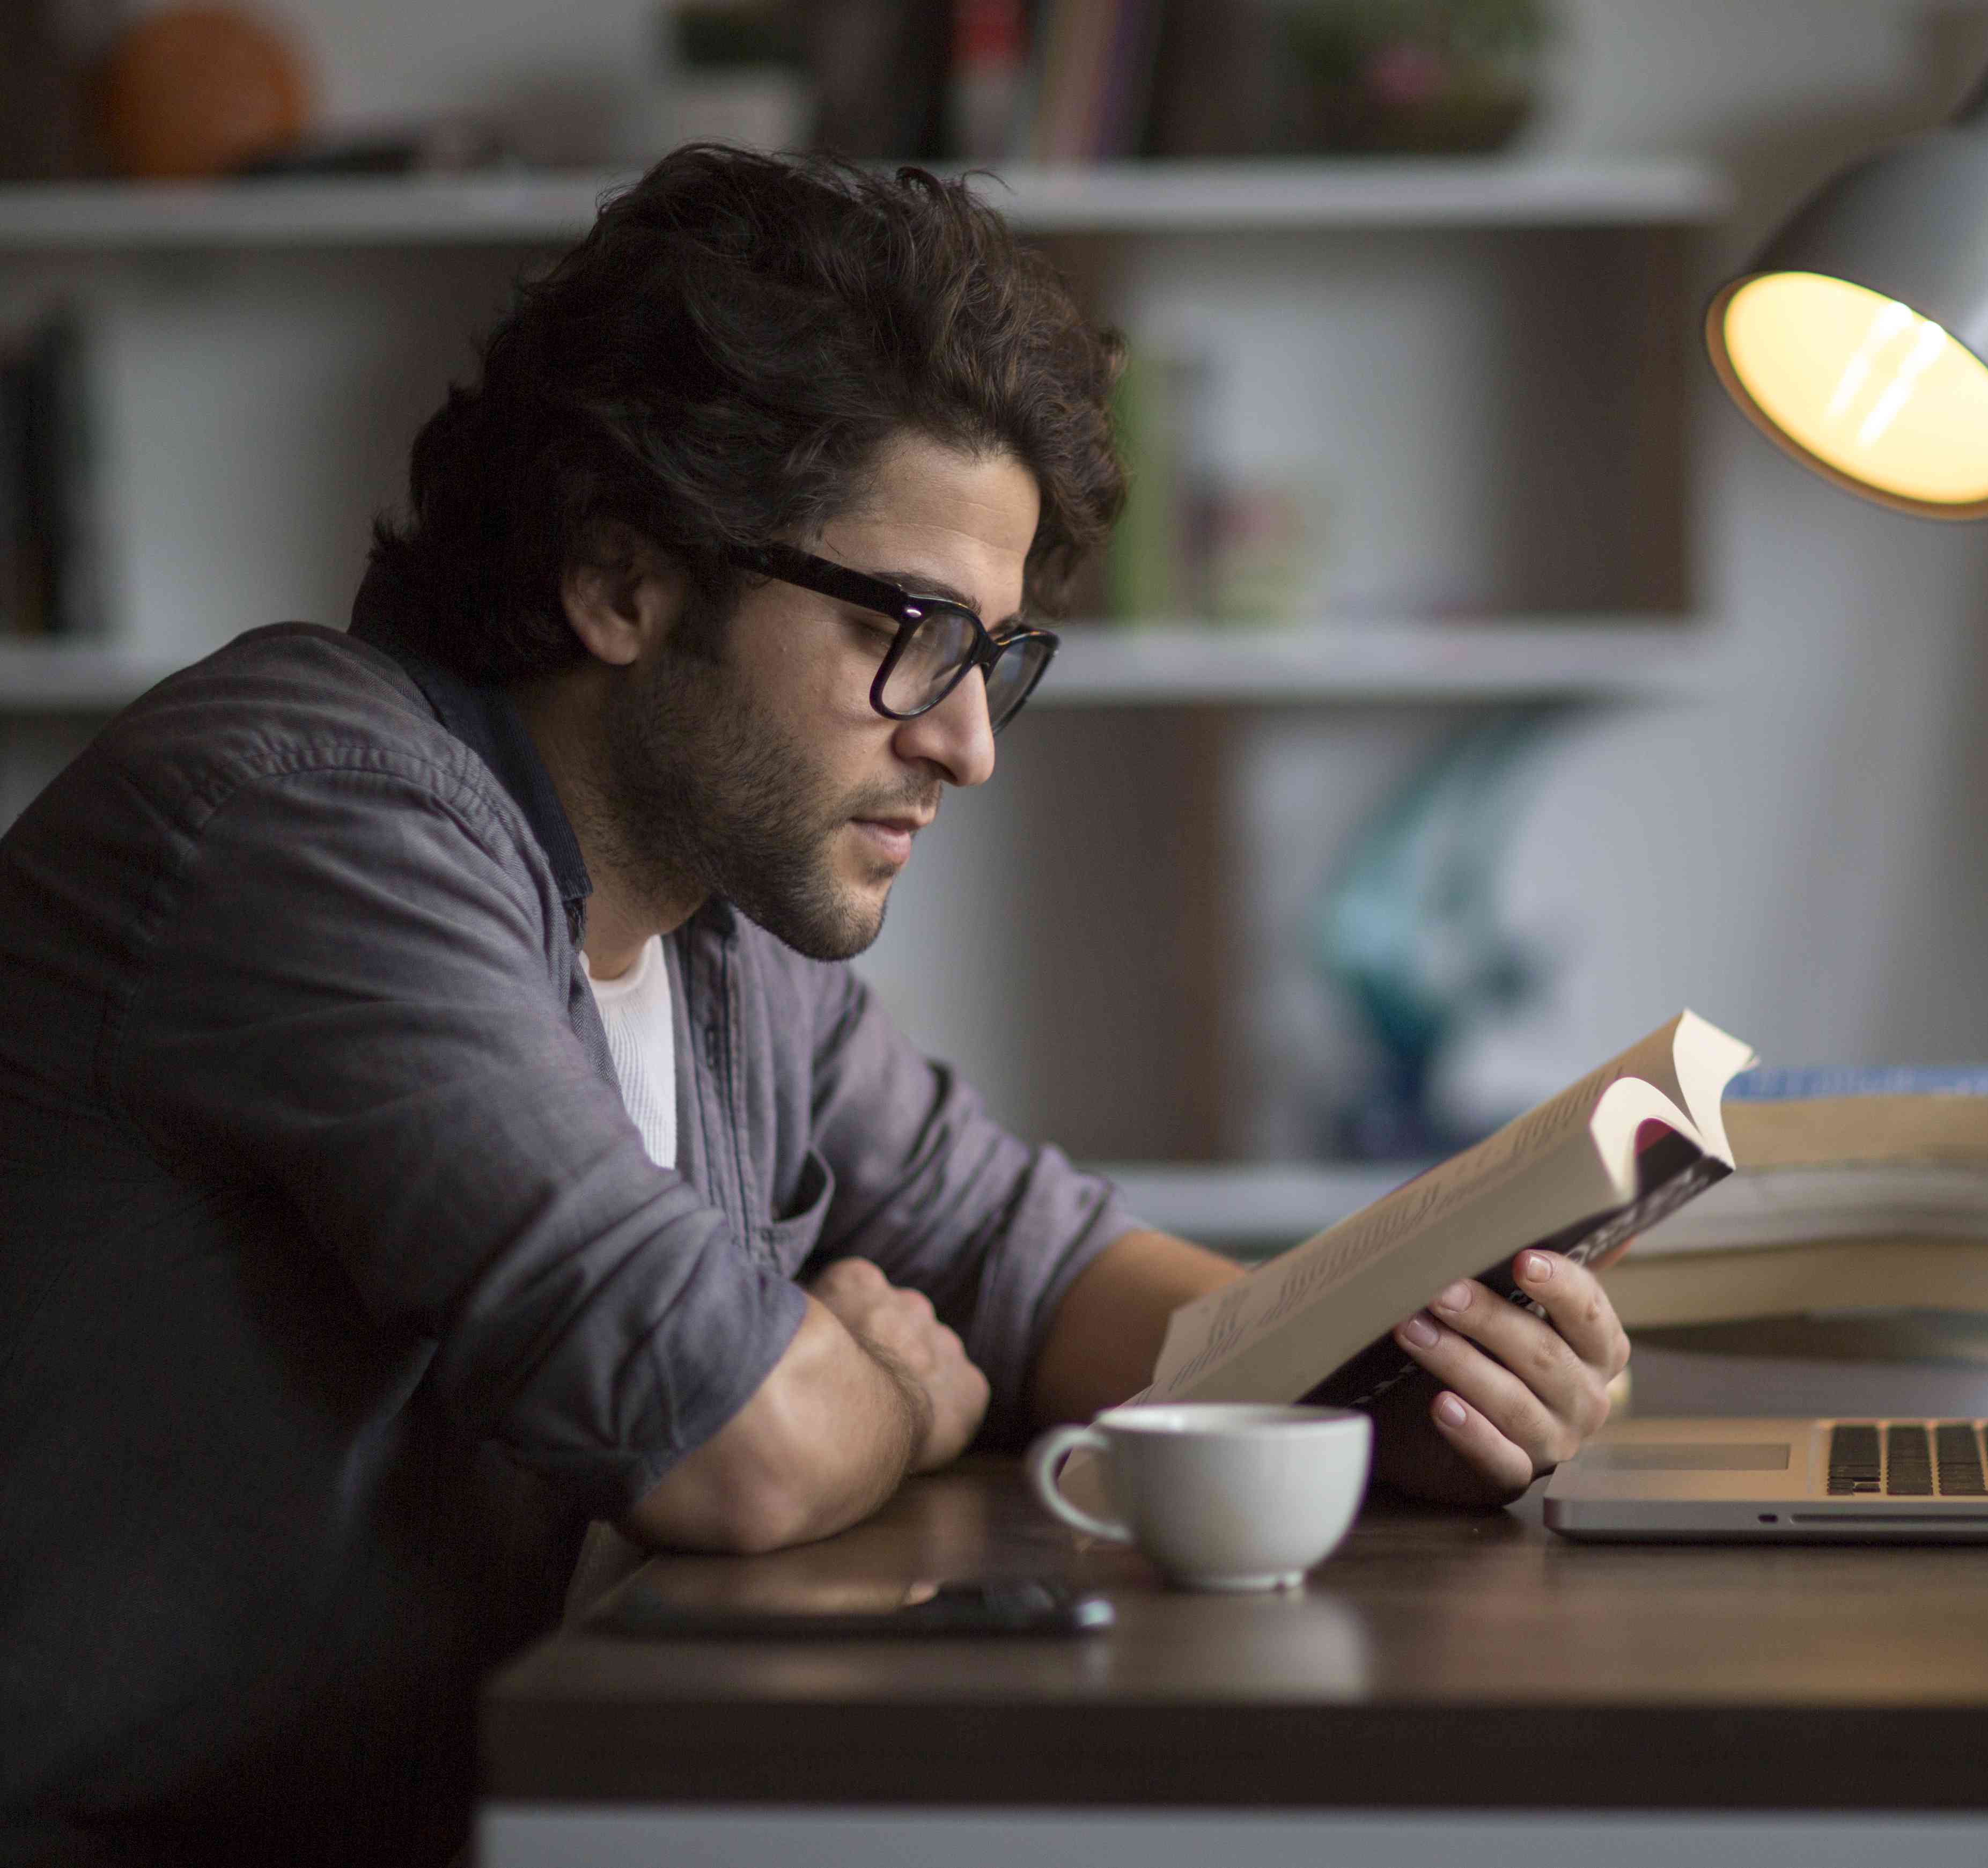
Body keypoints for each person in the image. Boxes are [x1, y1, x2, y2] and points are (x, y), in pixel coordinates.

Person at [0, 148, 1630, 1867]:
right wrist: (900, 1394)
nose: (966, 740)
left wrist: (1394, 1393)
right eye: (910, 631)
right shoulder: (315, 817)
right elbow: (731, 1443)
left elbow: (1042, 1266)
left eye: (995, 655)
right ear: (624, 577)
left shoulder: (720, 930)